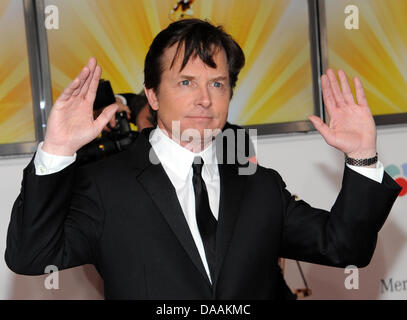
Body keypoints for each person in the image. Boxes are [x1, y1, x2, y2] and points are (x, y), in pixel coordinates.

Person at [5, 19, 401, 299]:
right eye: (185, 82)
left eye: (217, 83)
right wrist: (56, 150)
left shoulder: (260, 184)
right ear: (153, 95)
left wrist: (362, 155)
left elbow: (345, 248)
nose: (205, 99)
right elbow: (31, 256)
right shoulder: (106, 185)